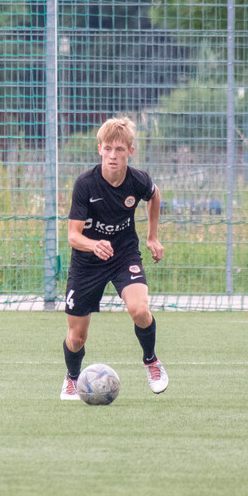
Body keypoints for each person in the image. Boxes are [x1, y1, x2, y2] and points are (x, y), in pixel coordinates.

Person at [60, 116, 166, 400]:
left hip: (124, 254)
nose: (113, 155)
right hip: (86, 261)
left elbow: (155, 196)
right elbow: (72, 236)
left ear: (130, 151)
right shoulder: (85, 184)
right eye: (107, 148)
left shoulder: (138, 180)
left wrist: (152, 237)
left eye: (119, 149)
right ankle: (72, 379)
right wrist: (93, 245)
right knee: (76, 337)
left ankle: (151, 361)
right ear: (99, 149)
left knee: (140, 310)